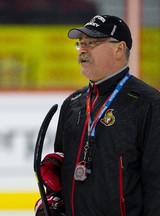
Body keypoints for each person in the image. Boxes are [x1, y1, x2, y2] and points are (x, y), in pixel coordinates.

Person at [36, 15, 160, 216]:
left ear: (119, 49)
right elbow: (62, 168)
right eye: (81, 43)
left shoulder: (148, 103)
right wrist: (54, 203)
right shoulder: (73, 103)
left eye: (92, 43)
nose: (83, 49)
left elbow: (156, 182)